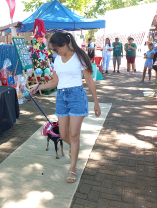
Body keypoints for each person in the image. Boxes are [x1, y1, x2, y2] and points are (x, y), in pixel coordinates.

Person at [29, 32, 101, 183]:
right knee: (62, 134)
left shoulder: (80, 57)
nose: (54, 53)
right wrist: (38, 86)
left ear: (63, 44)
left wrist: (96, 102)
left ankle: (72, 167)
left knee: (74, 134)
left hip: (77, 97)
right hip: (61, 97)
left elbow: (89, 80)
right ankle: (75, 148)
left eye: (55, 49)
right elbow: (54, 82)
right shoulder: (57, 60)